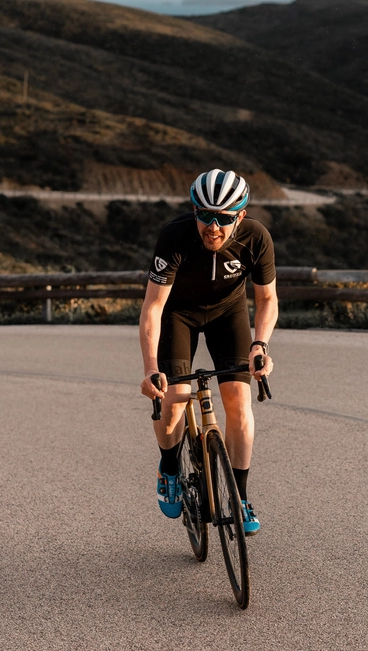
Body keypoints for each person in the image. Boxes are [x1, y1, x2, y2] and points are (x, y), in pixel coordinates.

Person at [139, 169, 278, 535]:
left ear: (241, 216)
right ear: (195, 210)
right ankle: (169, 465)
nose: (212, 227)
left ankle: (241, 496)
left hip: (227, 314)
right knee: (176, 396)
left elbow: (267, 300)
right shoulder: (175, 237)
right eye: (205, 215)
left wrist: (260, 344)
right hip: (178, 315)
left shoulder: (256, 238)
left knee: (237, 400)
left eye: (224, 219)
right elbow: (153, 307)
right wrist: (151, 368)